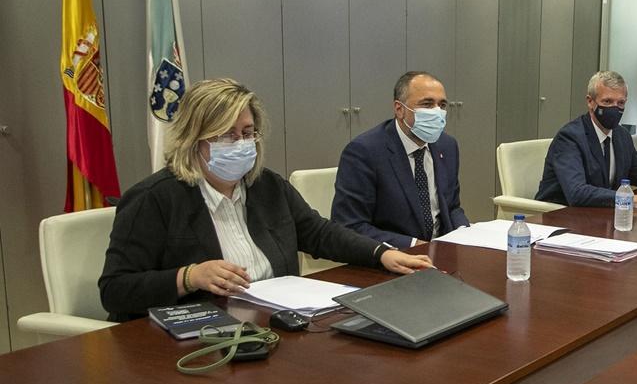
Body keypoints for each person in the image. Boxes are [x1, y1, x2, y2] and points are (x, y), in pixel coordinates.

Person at [99, 78, 430, 320]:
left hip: (274, 324)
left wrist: (381, 254)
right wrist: (189, 276)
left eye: (247, 133)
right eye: (227, 134)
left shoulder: (266, 186)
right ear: (194, 139)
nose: (242, 143)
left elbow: (318, 233)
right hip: (199, 340)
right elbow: (115, 291)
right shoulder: (153, 199)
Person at [332, 71, 470, 248]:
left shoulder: (447, 146)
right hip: (391, 257)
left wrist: (465, 234)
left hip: (441, 253)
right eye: (427, 104)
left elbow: (452, 207)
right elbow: (349, 225)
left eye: (442, 105)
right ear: (399, 109)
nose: (437, 112)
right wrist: (414, 244)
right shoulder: (364, 152)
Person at [536, 70, 637, 208]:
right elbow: (577, 193)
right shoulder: (570, 138)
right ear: (590, 102)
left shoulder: (621, 135)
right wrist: (635, 199)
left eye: (620, 103)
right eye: (607, 102)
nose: (614, 108)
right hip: (559, 215)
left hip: (601, 216)